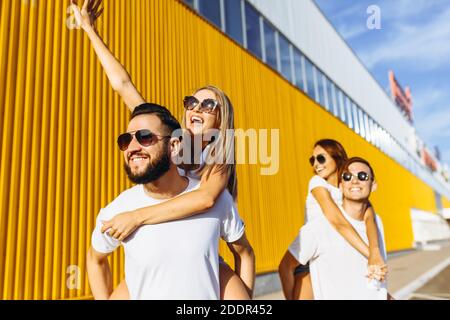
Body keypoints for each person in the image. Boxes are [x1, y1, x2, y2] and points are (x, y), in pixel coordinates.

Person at [71, 0, 255, 299]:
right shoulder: (168, 138)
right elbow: (123, 85)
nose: (197, 107)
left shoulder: (219, 159)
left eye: (209, 105)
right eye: (191, 102)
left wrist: (136, 216)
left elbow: (205, 199)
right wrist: (90, 31)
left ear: (221, 121)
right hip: (155, 252)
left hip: (198, 253)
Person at [87, 103, 254, 300]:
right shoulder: (117, 211)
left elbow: (245, 253)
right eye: (125, 140)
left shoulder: (217, 199)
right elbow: (95, 259)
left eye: (145, 137)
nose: (132, 148)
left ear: (174, 145)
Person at [278, 140, 387, 299]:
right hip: (309, 259)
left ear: (337, 157)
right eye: (312, 160)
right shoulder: (317, 183)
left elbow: (369, 214)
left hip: (334, 258)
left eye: (320, 158)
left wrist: (375, 252)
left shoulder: (347, 188)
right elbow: (338, 222)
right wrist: (370, 254)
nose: (316, 164)